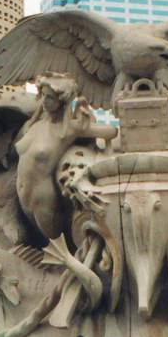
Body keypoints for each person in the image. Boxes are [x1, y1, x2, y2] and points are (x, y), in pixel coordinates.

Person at [15, 73, 118, 239]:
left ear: (61, 100)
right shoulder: (33, 125)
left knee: (56, 250)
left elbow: (111, 131)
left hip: (43, 199)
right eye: (44, 96)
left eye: (50, 97)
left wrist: (86, 123)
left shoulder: (68, 129)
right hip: (22, 198)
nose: (45, 101)